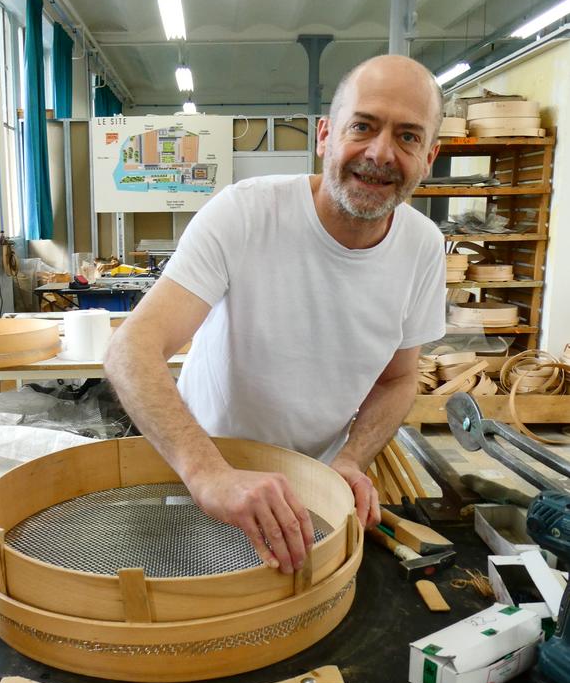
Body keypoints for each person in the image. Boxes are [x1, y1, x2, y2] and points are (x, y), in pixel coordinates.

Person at [104, 54, 446, 576]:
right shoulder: (245, 214)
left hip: (314, 491)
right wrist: (209, 475)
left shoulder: (423, 248)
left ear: (429, 156)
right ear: (326, 135)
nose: (380, 153)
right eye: (363, 126)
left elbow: (398, 379)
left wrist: (351, 460)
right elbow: (131, 350)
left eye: (408, 137)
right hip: (205, 481)